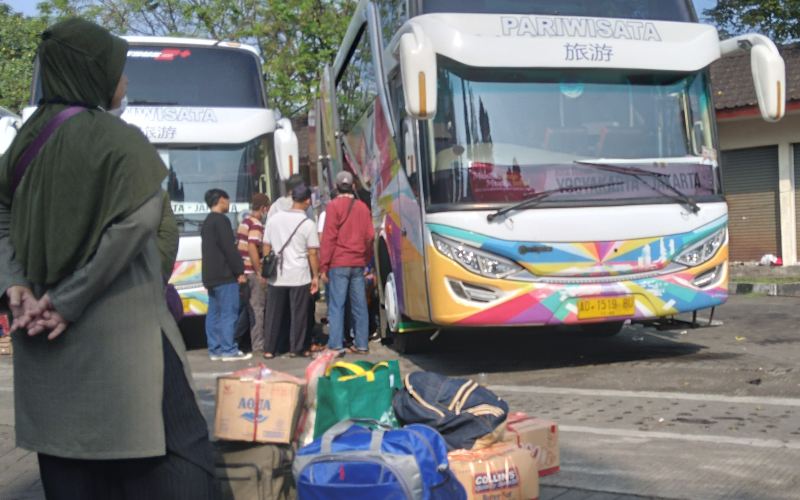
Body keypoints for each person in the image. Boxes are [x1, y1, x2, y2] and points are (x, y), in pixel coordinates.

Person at [0, 18, 219, 499]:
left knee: (70, 470)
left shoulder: (20, 144)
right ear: (91, 74)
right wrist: (66, 301)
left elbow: (3, 215)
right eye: (117, 70)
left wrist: (15, 284)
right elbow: (137, 226)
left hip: (42, 350)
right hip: (126, 349)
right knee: (180, 459)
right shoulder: (120, 142)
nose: (124, 82)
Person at [262, 184, 320, 359]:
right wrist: (315, 276)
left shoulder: (274, 219)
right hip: (299, 275)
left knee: (273, 313)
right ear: (308, 201)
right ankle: (297, 348)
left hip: (277, 276)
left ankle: (269, 349)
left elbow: (266, 245)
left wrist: (268, 265)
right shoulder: (307, 224)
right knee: (299, 314)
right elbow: (312, 252)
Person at [320, 171, 375, 355]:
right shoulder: (362, 207)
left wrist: (324, 265)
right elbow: (370, 236)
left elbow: (328, 238)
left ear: (336, 187)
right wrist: (366, 259)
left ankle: (336, 344)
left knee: (337, 305)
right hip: (358, 262)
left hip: (338, 262)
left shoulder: (333, 207)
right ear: (353, 187)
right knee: (359, 305)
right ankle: (361, 344)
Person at [201, 188, 250, 361]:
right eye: (227, 200)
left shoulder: (206, 222)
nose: (229, 204)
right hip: (224, 274)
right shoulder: (221, 221)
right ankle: (229, 349)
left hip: (210, 276)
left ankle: (215, 349)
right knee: (229, 312)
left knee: (214, 313)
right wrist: (239, 271)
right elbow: (229, 249)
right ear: (221, 200)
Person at [236, 193, 270, 355]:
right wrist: (259, 272)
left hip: (243, 270)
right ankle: (258, 345)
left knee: (247, 308)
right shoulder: (256, 225)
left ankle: (234, 338)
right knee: (257, 309)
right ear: (263, 208)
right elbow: (252, 247)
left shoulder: (244, 222)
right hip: (252, 270)